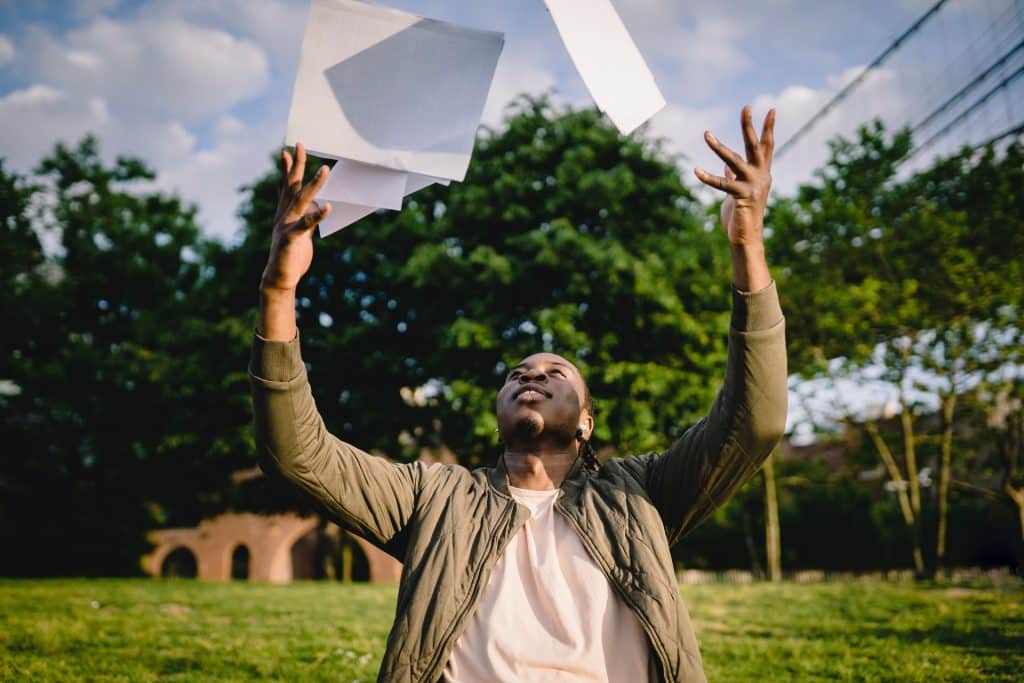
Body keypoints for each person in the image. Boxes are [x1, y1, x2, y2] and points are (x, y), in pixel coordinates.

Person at [250, 106, 787, 683]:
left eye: (555, 371)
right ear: (499, 412)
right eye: (517, 373)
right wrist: (280, 290)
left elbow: (752, 423)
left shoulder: (644, 495)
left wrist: (748, 247)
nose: (531, 375)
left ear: (585, 422)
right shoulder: (437, 498)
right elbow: (299, 456)